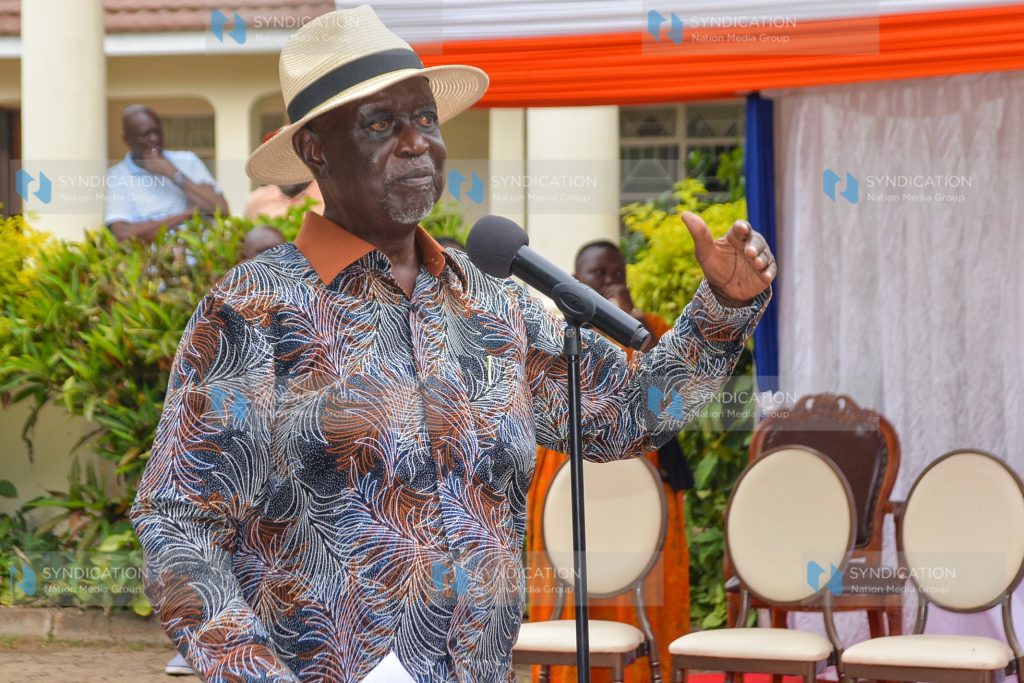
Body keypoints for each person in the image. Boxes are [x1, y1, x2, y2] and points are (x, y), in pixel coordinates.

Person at [129, 6, 775, 683]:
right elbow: (177, 525)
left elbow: (628, 413)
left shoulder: (493, 299)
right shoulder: (252, 312)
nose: (416, 143)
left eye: (426, 119)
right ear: (316, 148)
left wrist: (723, 307)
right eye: (381, 124)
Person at [526, 240, 694, 683]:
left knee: (639, 576)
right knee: (571, 575)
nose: (611, 282)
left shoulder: (652, 329)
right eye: (598, 275)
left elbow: (670, 402)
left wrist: (634, 328)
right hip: (566, 475)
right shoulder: (557, 333)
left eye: (617, 273)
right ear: (574, 283)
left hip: (641, 481)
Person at [105, 105, 229, 242]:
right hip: (151, 261)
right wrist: (188, 214)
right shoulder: (115, 176)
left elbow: (222, 209)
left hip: (203, 256)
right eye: (145, 134)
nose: (154, 139)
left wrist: (173, 173)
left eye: (158, 132)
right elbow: (123, 234)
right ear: (127, 140)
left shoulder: (188, 161)